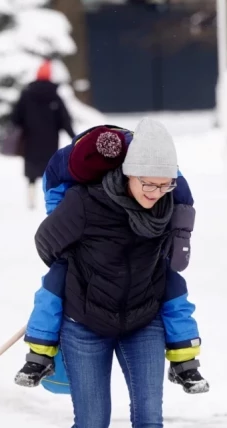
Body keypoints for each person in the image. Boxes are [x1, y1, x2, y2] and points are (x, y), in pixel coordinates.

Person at [29, 118, 205, 428]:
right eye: (148, 184)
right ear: (129, 173)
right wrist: (73, 264)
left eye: (165, 185)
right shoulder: (85, 203)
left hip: (143, 320)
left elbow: (171, 274)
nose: (156, 193)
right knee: (92, 427)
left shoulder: (167, 208)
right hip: (85, 323)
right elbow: (46, 243)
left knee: (150, 424)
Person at [14, 121, 206, 398]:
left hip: (136, 238)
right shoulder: (80, 163)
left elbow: (183, 201)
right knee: (54, 284)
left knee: (172, 286)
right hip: (77, 220)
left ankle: (184, 362)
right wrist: (71, 254)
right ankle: (39, 357)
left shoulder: (159, 164)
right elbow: (49, 229)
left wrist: (178, 240)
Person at [11, 59, 75, 210]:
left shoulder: (26, 94)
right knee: (50, 170)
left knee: (31, 172)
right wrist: (74, 137)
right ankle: (51, 199)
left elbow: (16, 118)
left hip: (31, 140)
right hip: (50, 141)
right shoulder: (55, 96)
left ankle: (31, 198)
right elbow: (64, 120)